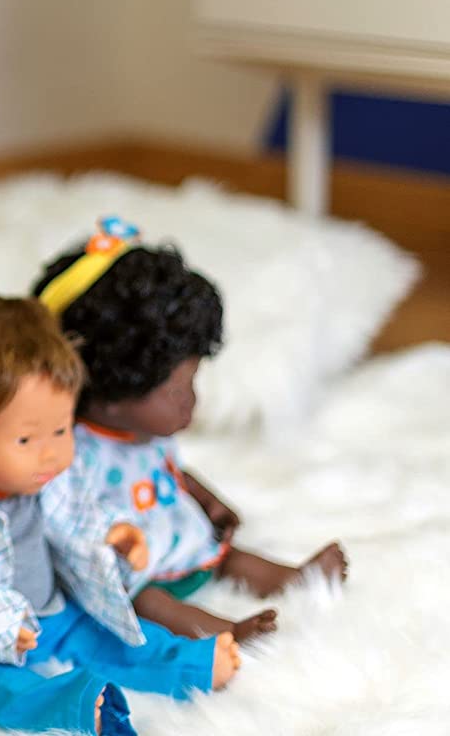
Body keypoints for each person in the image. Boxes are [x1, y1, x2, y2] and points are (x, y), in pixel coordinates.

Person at [0, 294, 241, 735]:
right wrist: (1, 628)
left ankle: (184, 667)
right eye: (27, 439)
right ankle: (73, 705)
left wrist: (114, 538)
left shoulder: (45, 475)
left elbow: (78, 518)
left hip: (58, 610)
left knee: (118, 637)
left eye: (61, 429)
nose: (54, 452)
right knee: (1, 690)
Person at [33, 217, 348, 643]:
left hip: (178, 533)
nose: (192, 400)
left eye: (193, 381)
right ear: (107, 392)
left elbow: (169, 470)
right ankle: (224, 632)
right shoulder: (72, 449)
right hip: (139, 565)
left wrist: (207, 499)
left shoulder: (145, 432)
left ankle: (292, 578)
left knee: (229, 557)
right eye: (177, 390)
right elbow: (68, 519)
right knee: (148, 603)